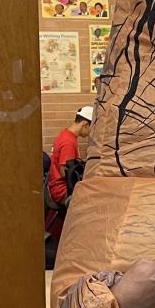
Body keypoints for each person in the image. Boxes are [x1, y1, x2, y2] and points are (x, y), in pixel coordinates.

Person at [44, 105, 92, 248]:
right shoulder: (68, 142)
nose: (90, 133)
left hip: (55, 185)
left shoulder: (65, 134)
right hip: (61, 189)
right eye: (90, 129)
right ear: (85, 124)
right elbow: (66, 171)